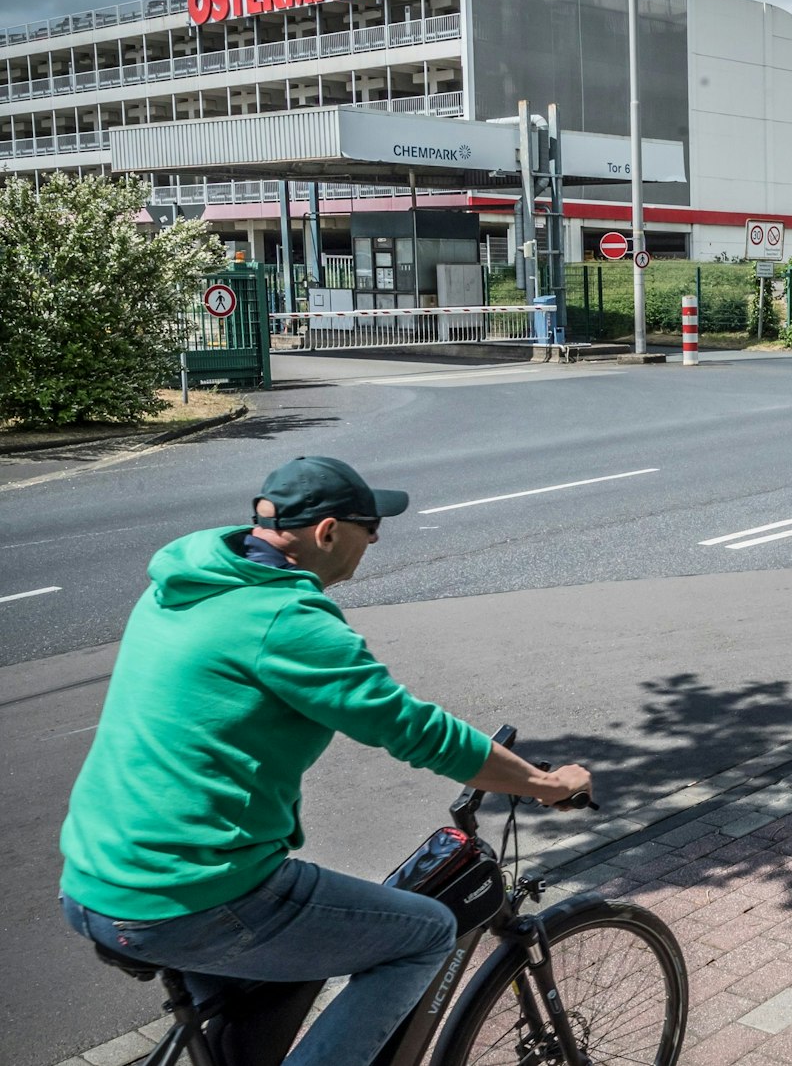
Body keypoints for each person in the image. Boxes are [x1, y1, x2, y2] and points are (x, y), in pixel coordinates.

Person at [59, 456, 591, 1066]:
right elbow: (415, 730)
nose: (373, 544)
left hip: (96, 876)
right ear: (329, 532)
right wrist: (544, 783)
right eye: (372, 530)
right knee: (425, 935)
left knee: (274, 986)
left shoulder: (188, 581)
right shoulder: (283, 619)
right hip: (190, 894)